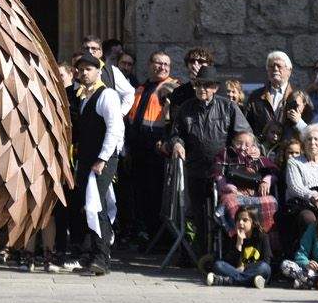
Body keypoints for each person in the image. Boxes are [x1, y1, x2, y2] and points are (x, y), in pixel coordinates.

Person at [167, 66, 251, 254]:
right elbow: (175, 134)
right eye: (198, 85)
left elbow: (244, 134)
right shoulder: (186, 108)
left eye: (206, 85)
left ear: (215, 88)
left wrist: (241, 151)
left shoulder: (228, 107)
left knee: (223, 211)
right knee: (197, 213)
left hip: (223, 170)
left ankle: (225, 251)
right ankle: (201, 253)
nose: (201, 89)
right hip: (195, 168)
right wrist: (177, 143)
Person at [66, 54, 122, 276]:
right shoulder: (85, 97)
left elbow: (114, 129)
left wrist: (103, 158)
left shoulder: (106, 95)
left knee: (96, 205)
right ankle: (93, 254)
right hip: (88, 159)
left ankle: (102, 257)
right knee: (90, 206)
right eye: (81, 69)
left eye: (89, 69)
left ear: (98, 71)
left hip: (100, 161)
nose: (84, 73)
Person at [123, 51, 175, 241]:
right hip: (138, 149)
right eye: (159, 63)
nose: (162, 67)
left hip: (157, 150)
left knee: (156, 194)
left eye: (166, 65)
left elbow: (173, 120)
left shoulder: (171, 88)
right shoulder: (141, 88)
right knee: (140, 193)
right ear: (149, 64)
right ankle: (144, 232)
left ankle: (158, 236)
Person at [283, 124, 318, 232]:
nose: (312, 142)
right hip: (302, 203)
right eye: (309, 139)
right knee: (308, 219)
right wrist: (313, 196)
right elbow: (294, 187)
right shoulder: (294, 162)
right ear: (304, 144)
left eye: (316, 139)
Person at [244, 51, 300, 152]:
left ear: (289, 71)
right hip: (261, 152)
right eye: (271, 66)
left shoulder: (299, 97)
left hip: (289, 154)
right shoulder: (255, 97)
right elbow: (246, 126)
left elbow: (307, 127)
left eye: (279, 66)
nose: (275, 69)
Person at [204, 207, 269, 289]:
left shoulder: (262, 237)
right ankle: (250, 282)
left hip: (255, 272)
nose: (240, 222)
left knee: (264, 267)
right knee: (218, 265)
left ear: (253, 223)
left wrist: (245, 268)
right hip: (238, 272)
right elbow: (230, 263)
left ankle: (228, 281)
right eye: (238, 220)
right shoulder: (235, 238)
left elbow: (267, 261)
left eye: (245, 220)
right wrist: (238, 244)